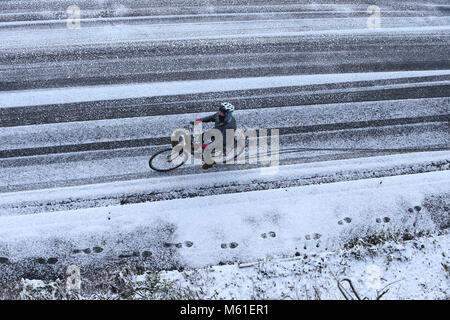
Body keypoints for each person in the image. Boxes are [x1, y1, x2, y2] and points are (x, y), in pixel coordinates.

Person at [174, 102, 237, 169]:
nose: (219, 112)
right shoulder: (218, 115)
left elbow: (224, 141)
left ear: (226, 114)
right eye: (219, 110)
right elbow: (210, 118)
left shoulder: (231, 125)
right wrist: (199, 120)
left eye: (221, 111)